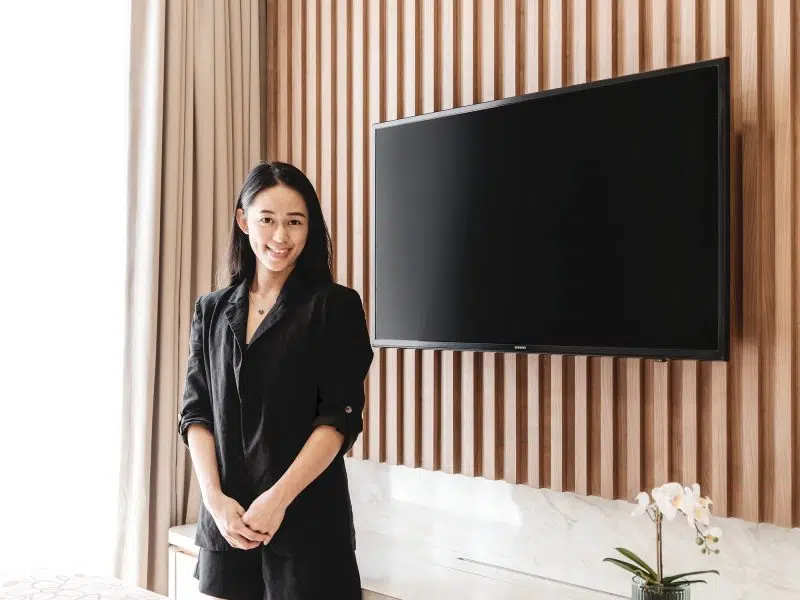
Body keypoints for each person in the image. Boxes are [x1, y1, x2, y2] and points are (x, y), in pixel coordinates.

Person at [177, 161, 374, 600]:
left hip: (307, 529)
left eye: (294, 222)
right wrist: (214, 500)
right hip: (227, 526)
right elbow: (196, 413)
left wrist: (277, 500)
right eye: (267, 220)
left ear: (310, 227)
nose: (281, 236)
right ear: (243, 220)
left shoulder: (335, 307)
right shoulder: (212, 309)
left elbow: (338, 418)